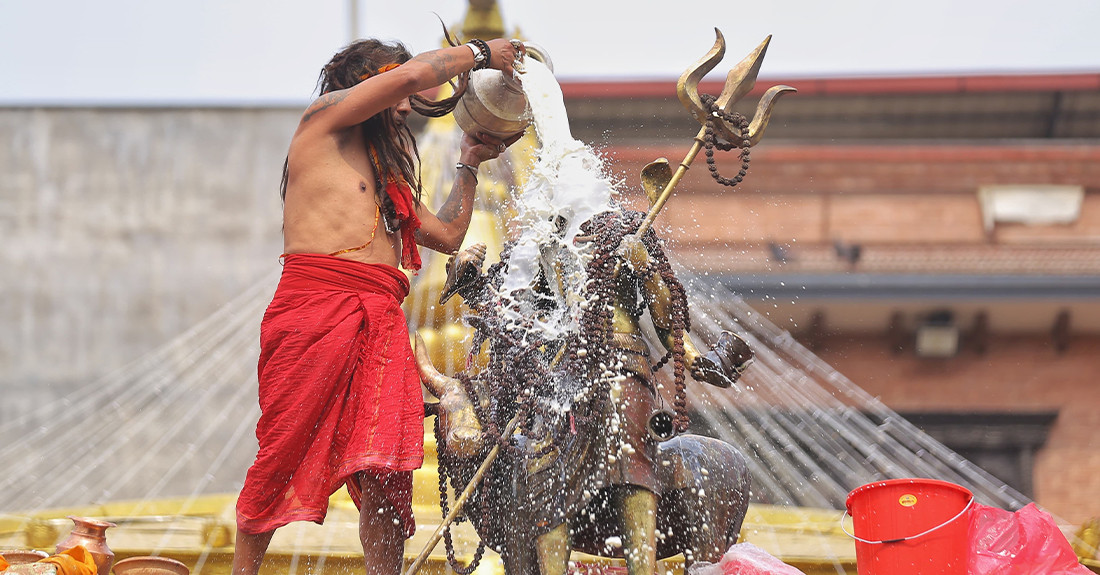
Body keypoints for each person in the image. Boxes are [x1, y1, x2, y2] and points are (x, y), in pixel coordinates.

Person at [231, 34, 526, 575]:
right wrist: (483, 54)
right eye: (392, 82)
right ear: (362, 84)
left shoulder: (388, 176)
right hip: (314, 308)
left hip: (381, 320)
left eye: (403, 84)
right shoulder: (320, 120)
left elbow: (449, 235)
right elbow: (412, 78)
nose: (406, 102)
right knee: (282, 450)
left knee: (387, 468)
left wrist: (468, 162)